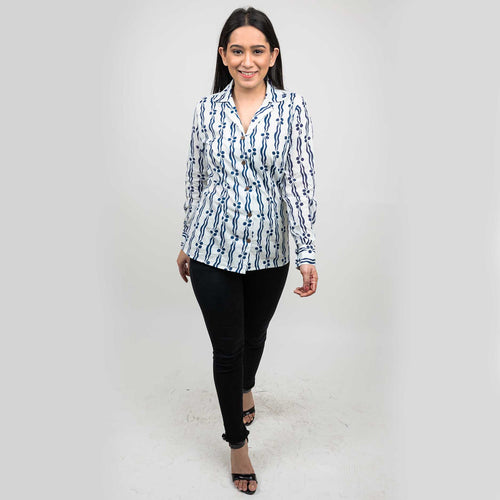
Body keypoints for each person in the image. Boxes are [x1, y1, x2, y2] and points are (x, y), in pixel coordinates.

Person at [176, 6, 318, 495]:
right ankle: (237, 443)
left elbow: (301, 182)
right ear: (224, 55)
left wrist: (307, 252)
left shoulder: (293, 108)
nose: (247, 60)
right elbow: (196, 178)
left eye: (257, 51)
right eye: (237, 51)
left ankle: (245, 388)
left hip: (270, 248)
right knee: (227, 347)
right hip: (211, 246)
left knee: (255, 333)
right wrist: (186, 241)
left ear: (273, 55)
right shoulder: (206, 109)